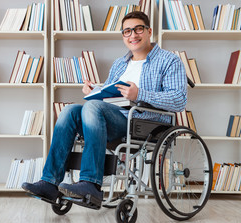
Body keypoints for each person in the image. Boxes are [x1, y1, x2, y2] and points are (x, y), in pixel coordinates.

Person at [22, 11, 187, 206]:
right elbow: (107, 99)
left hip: (143, 123)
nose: (133, 35)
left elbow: (178, 100)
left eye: (138, 29)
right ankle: (49, 183)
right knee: (69, 111)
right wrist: (96, 91)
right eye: (127, 31)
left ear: (149, 31)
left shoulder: (169, 61)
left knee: (92, 108)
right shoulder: (119, 64)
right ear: (123, 36)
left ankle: (90, 184)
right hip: (112, 118)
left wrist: (139, 94)